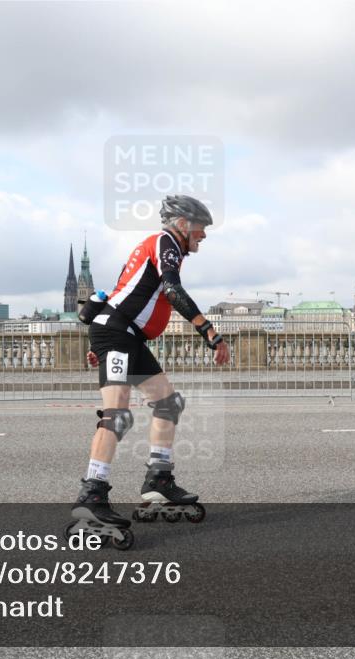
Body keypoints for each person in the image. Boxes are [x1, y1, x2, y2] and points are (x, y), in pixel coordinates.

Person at [71, 194, 231, 532]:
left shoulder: (160, 248)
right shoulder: (165, 242)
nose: (203, 235)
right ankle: (92, 495)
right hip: (118, 335)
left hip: (125, 337)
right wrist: (209, 330)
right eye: (201, 227)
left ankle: (159, 478)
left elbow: (120, 291)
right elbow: (172, 290)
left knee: (168, 404)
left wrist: (99, 344)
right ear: (183, 224)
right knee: (117, 415)